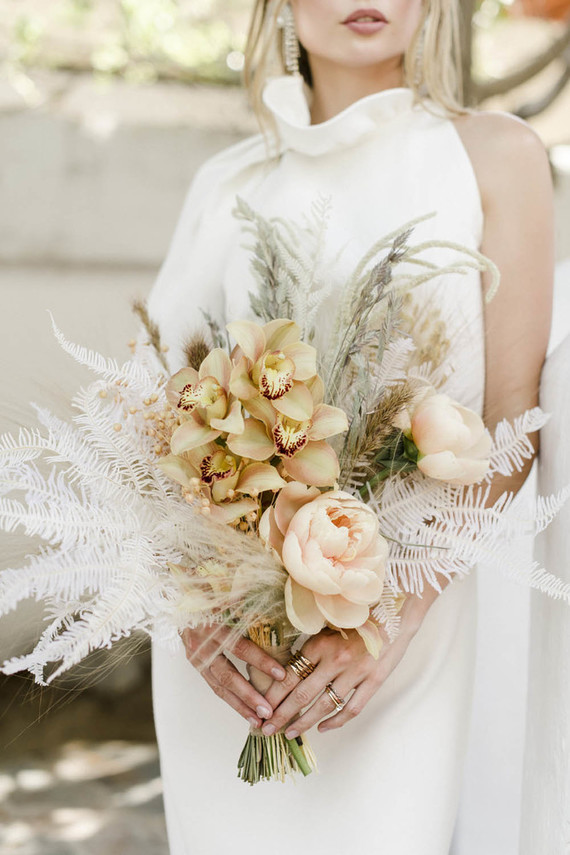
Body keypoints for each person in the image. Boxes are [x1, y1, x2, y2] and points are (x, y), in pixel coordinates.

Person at [147, 1, 554, 852]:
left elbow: (515, 423)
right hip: (233, 654)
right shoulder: (227, 182)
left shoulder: (494, 156)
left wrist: (390, 619)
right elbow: (154, 417)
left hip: (403, 639)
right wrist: (190, 612)